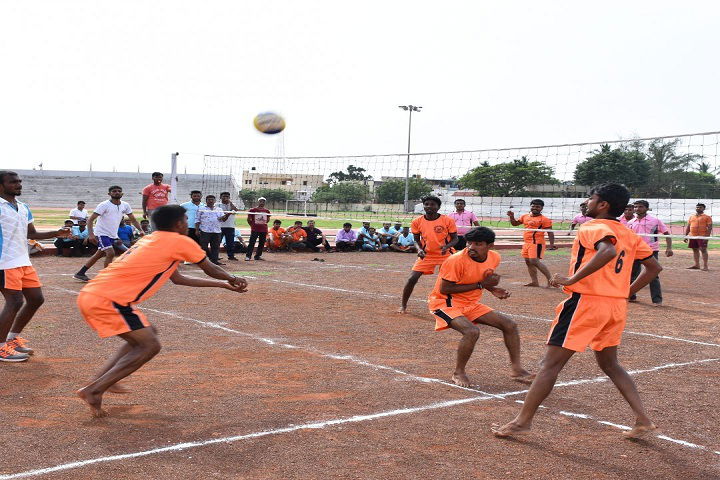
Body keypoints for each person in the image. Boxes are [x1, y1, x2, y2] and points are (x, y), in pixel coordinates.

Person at [492, 183, 662, 439]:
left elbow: (607, 251)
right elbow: (653, 268)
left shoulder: (592, 226)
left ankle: (521, 422)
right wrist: (626, 291)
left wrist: (572, 279)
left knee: (549, 365)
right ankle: (643, 419)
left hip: (587, 302)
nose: (587, 203)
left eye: (591, 199)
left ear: (603, 204)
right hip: (615, 306)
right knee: (610, 364)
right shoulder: (628, 232)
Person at [76, 205, 248, 417]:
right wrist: (232, 278)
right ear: (178, 224)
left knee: (146, 336)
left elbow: (177, 278)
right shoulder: (179, 241)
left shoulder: (152, 239)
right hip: (109, 299)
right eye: (186, 220)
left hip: (97, 294)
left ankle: (104, 381)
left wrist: (222, 285)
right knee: (149, 345)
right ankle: (94, 389)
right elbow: (210, 267)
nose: (188, 224)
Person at [428, 227, 534, 387]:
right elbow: (445, 289)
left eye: (478, 244)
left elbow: (481, 278)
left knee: (509, 325)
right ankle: (458, 373)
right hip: (444, 303)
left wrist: (492, 289)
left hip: (470, 304)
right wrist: (481, 285)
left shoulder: (494, 258)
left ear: (490, 246)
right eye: (469, 243)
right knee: (471, 331)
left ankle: (517, 369)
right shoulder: (455, 260)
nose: (471, 247)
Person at [0, 171, 71, 362]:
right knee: (15, 301)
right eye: (13, 182)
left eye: (20, 181)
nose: (18, 184)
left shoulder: (23, 207)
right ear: (1, 185)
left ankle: (11, 339)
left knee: (36, 299)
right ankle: (0, 347)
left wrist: (57, 232)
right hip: (4, 262)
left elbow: (30, 233)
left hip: (23, 260)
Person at [399, 196, 458, 313]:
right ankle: (403, 306)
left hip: (445, 254)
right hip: (426, 254)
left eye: (432, 204)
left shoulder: (447, 220)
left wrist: (446, 246)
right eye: (426, 204)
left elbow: (455, 239)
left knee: (449, 281)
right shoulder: (417, 221)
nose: (429, 206)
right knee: (412, 279)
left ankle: (452, 306)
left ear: (438, 207)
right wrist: (419, 249)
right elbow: (416, 240)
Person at [73, 186, 144, 282]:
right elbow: (90, 220)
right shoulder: (104, 205)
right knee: (111, 253)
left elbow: (133, 219)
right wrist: (91, 235)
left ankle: (80, 273)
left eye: (119, 191)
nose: (117, 192)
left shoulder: (125, 205)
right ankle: (106, 277)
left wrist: (141, 230)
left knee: (98, 254)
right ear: (109, 194)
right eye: (114, 191)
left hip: (112, 234)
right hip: (101, 233)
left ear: (122, 194)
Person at [627, 200, 672, 306]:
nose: (638, 209)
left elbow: (666, 233)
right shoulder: (630, 223)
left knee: (653, 275)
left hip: (651, 250)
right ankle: (631, 295)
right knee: (632, 273)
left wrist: (669, 248)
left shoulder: (655, 220)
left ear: (647, 208)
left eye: (641, 207)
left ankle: (657, 300)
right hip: (635, 250)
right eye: (636, 207)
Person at [507, 199, 556, 288]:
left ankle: (551, 280)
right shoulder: (525, 216)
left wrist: (552, 244)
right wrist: (511, 216)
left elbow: (550, 233)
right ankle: (534, 282)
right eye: (533, 206)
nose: (535, 208)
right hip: (527, 243)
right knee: (528, 262)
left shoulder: (544, 219)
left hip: (537, 243)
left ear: (541, 208)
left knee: (534, 261)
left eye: (537, 207)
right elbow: (515, 224)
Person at [196, 195, 231, 266]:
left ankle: (214, 261)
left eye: (212, 199)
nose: (211, 201)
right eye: (209, 200)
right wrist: (197, 230)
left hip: (216, 231)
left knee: (215, 247)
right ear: (206, 201)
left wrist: (227, 215)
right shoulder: (201, 209)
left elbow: (222, 219)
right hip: (205, 230)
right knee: (203, 246)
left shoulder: (219, 209)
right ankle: (208, 258)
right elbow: (197, 220)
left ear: (215, 201)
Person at [684, 203, 712, 271]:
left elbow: (709, 227)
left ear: (703, 208)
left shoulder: (707, 217)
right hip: (693, 236)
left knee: (703, 250)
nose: (698, 208)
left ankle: (705, 266)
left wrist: (706, 237)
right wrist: (686, 236)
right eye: (697, 207)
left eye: (700, 207)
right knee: (695, 249)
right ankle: (697, 265)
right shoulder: (692, 216)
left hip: (702, 236)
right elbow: (688, 226)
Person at [218, 192, 239, 261]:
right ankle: (216, 255)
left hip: (230, 226)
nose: (225, 198)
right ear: (220, 197)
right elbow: (221, 217)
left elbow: (236, 210)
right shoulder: (217, 205)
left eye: (227, 196)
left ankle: (231, 256)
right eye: (224, 196)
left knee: (230, 242)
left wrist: (230, 203)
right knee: (217, 242)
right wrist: (229, 212)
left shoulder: (232, 205)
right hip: (220, 226)